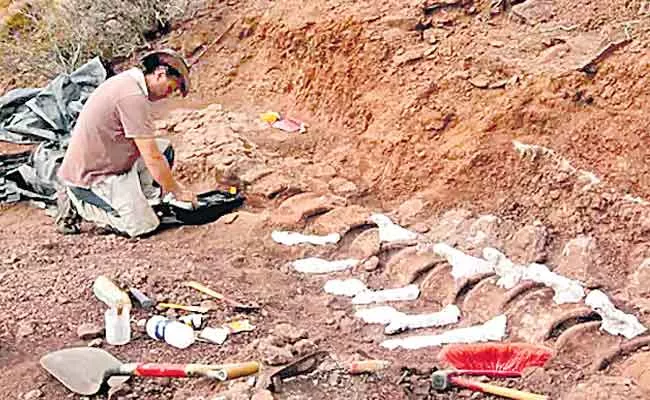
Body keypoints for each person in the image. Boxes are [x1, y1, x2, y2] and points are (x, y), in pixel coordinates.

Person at [55, 49, 197, 237]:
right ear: (160, 73)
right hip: (94, 176)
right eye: (170, 88)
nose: (168, 95)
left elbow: (153, 151)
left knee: (165, 150)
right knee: (144, 227)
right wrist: (177, 191)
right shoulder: (132, 97)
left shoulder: (129, 82)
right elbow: (152, 156)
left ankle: (148, 202)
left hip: (114, 161)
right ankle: (83, 203)